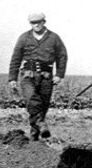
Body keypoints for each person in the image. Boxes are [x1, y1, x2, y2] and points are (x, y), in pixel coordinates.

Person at [8, 12, 68, 140]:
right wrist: (12, 78)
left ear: (44, 22)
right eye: (33, 23)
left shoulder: (54, 38)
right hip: (27, 75)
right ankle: (41, 124)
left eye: (39, 22)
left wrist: (59, 75)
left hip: (46, 76)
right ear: (30, 24)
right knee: (31, 99)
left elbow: (62, 56)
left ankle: (34, 136)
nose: (36, 25)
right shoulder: (24, 37)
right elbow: (16, 58)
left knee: (43, 106)